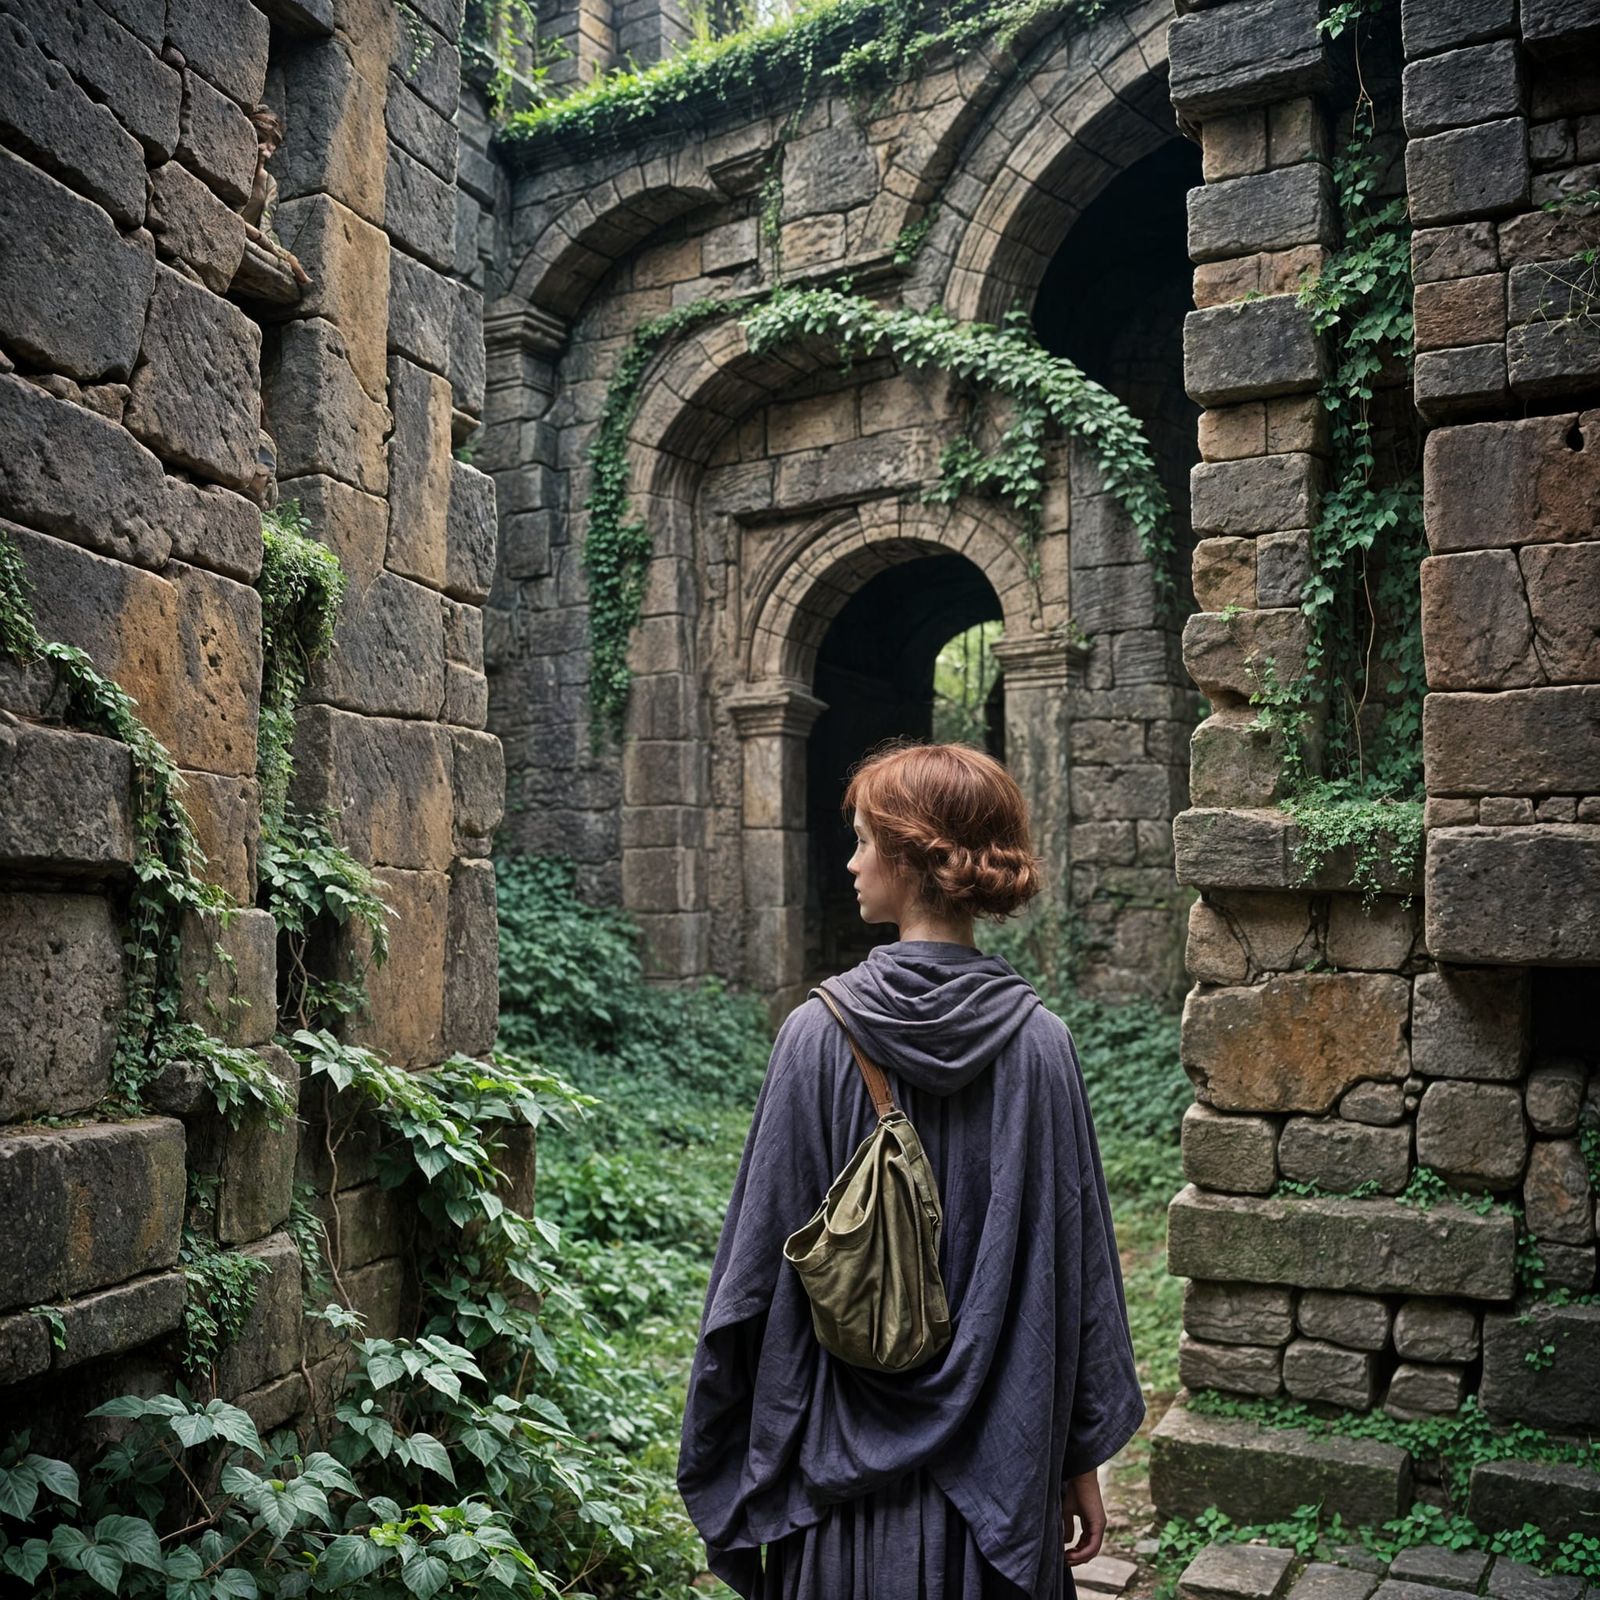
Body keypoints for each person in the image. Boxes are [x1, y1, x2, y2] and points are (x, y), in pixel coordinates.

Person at [678, 742, 1145, 1599]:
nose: (851, 862)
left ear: (911, 855)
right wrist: (1076, 1455)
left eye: (863, 840)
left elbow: (751, 1285)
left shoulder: (815, 1038)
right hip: (997, 1495)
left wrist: (741, 1452)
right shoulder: (1043, 1048)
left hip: (840, 1490)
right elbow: (1077, 1276)